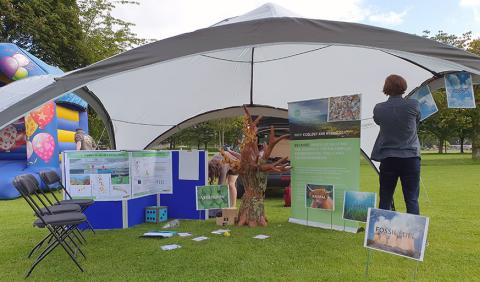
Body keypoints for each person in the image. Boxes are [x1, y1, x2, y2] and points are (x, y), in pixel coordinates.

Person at [371, 74, 421, 215]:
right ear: (403, 87)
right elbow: (417, 122)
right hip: (410, 158)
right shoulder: (413, 104)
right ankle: (414, 235)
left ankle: (380, 234)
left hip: (388, 159)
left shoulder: (379, 108)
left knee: (385, 198)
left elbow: (378, 122)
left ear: (386, 88)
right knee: (411, 199)